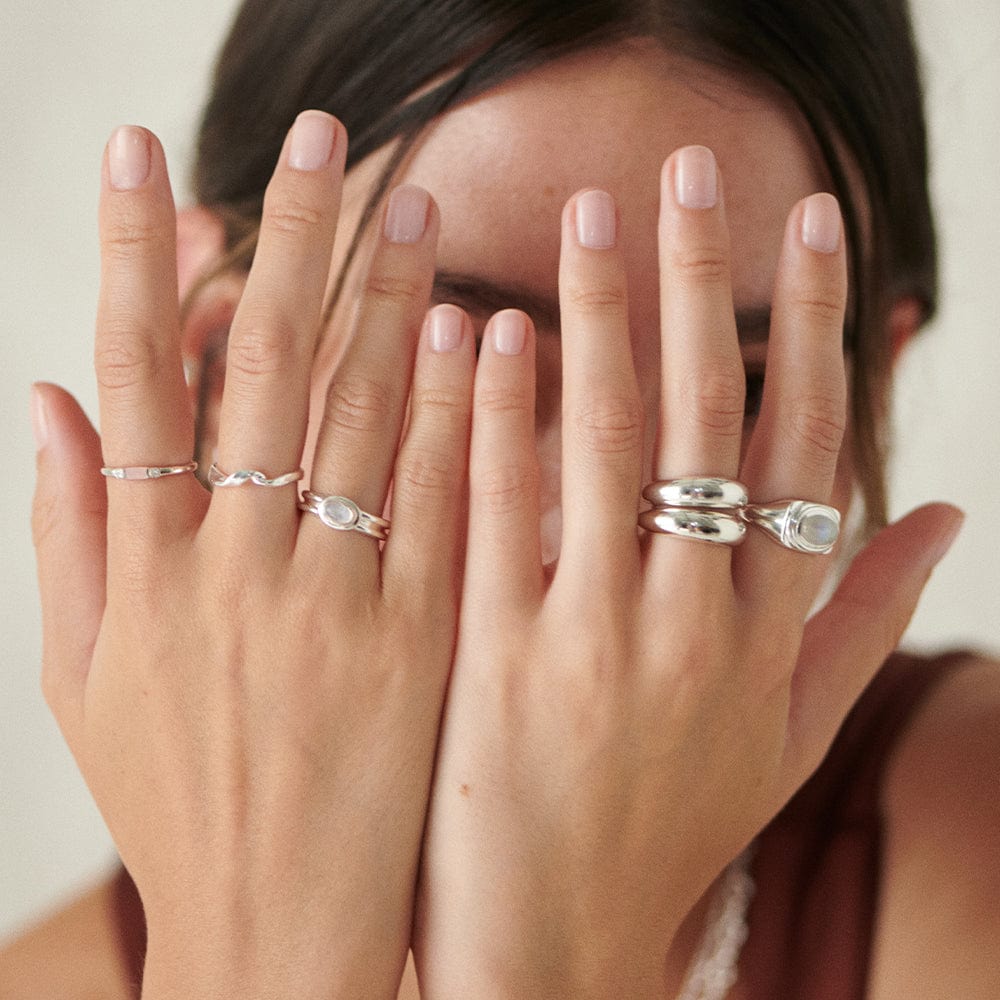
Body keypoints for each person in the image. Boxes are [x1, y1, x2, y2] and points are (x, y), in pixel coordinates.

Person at [3, 0, 998, 996]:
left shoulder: (959, 843)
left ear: (862, 387)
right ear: (220, 358)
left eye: (739, 388)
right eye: (470, 360)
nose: (593, 535)